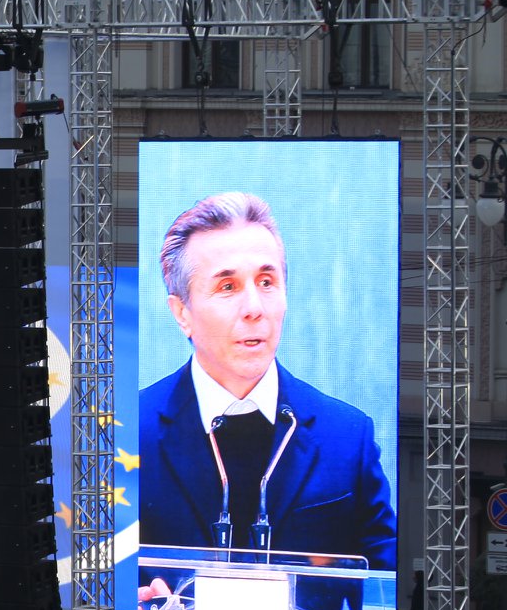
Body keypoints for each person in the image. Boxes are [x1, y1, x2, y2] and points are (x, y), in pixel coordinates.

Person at [139, 191, 395, 569]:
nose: (254, 309)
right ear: (182, 313)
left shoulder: (347, 436)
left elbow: (386, 582)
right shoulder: (131, 432)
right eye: (228, 287)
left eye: (266, 282)